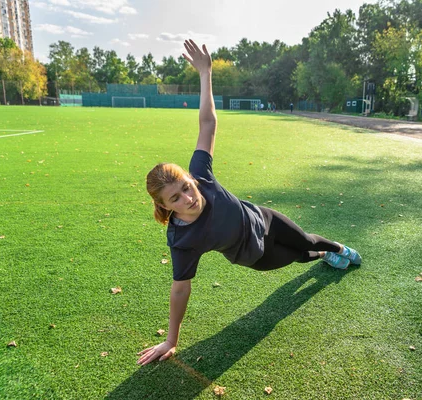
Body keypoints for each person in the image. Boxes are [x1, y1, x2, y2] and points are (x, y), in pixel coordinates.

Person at [137, 40, 362, 366]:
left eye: (186, 187)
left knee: (305, 239)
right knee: (300, 255)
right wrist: (171, 340)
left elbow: (208, 124)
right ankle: (324, 255)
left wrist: (205, 73)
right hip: (256, 254)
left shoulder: (200, 174)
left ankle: (338, 249)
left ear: (190, 178)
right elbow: (180, 289)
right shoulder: (182, 239)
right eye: (176, 198)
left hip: (264, 219)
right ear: (166, 207)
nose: (189, 197)